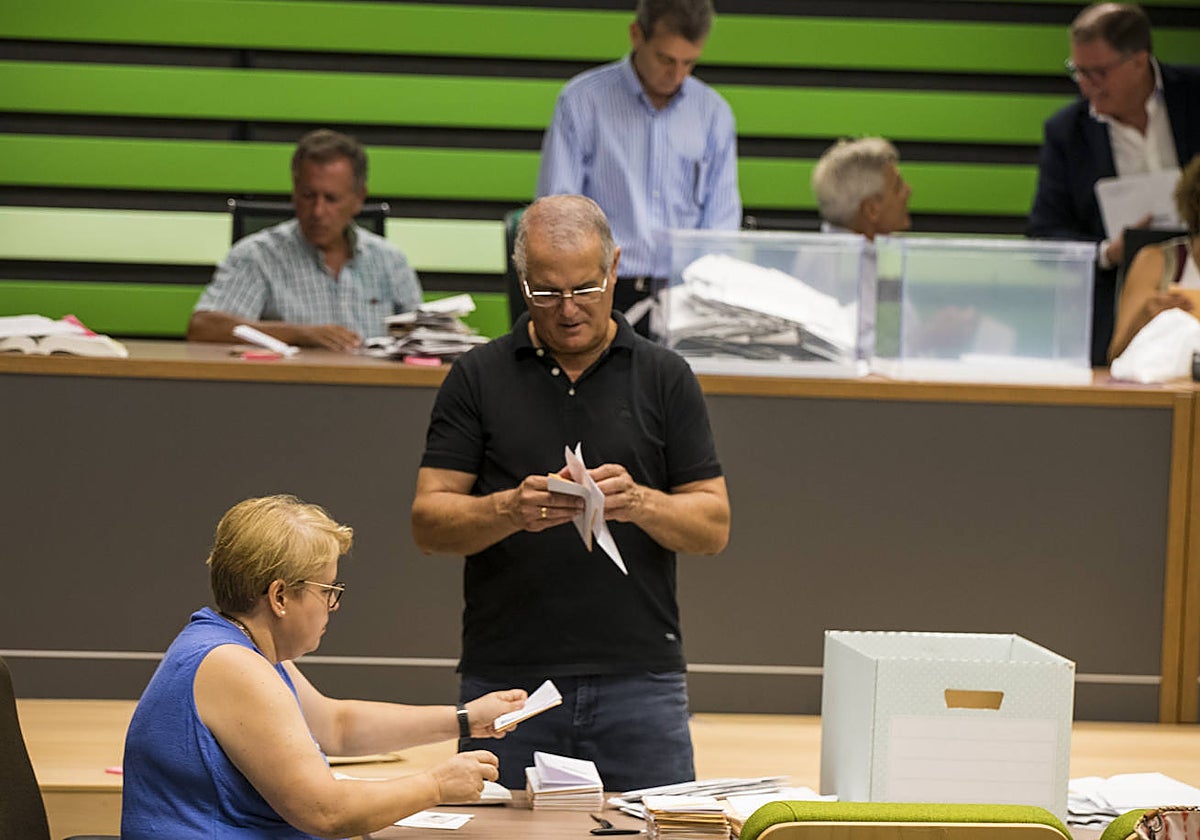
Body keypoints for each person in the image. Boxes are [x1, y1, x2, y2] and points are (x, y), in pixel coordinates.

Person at [411, 194, 731, 791]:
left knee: (662, 829)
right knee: (490, 832)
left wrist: (640, 502)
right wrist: (509, 508)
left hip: (641, 679)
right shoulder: (476, 377)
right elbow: (429, 522)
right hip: (508, 680)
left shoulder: (665, 377)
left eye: (585, 288)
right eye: (545, 292)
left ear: (614, 267)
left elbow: (714, 527)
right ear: (521, 280)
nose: (567, 310)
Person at [121, 494, 526, 839]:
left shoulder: (238, 648)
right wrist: (435, 785)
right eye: (328, 590)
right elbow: (325, 812)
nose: (334, 605)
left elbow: (336, 726)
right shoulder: (235, 666)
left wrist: (466, 719)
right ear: (280, 597)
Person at [535, 0, 742, 332]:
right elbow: (558, 214)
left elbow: (722, 224)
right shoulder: (582, 101)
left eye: (689, 62)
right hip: (602, 290)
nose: (677, 74)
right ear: (636, 35)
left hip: (687, 294)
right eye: (665, 59)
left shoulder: (713, 114)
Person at [1027, 3, 1200, 366]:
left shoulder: (1193, 95)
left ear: (1139, 61)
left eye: (1099, 72)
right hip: (1115, 315)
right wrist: (1108, 251)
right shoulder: (1067, 132)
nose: (1086, 84)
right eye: (1078, 71)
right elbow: (1044, 234)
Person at [188, 129, 423, 351]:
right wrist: (299, 334)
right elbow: (202, 327)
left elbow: (425, 339)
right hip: (290, 379)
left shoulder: (390, 261)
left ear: (358, 198)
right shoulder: (258, 256)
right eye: (308, 196)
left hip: (374, 380)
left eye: (331, 199)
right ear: (295, 193)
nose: (318, 211)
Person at [810, 137, 913, 358]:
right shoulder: (833, 267)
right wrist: (932, 335)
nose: (908, 191)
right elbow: (859, 352)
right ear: (872, 209)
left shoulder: (877, 252)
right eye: (898, 187)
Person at [1109, 154, 1200, 359]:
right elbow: (1115, 356)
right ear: (1196, 202)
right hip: (1166, 378)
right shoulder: (1155, 261)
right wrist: (1144, 318)